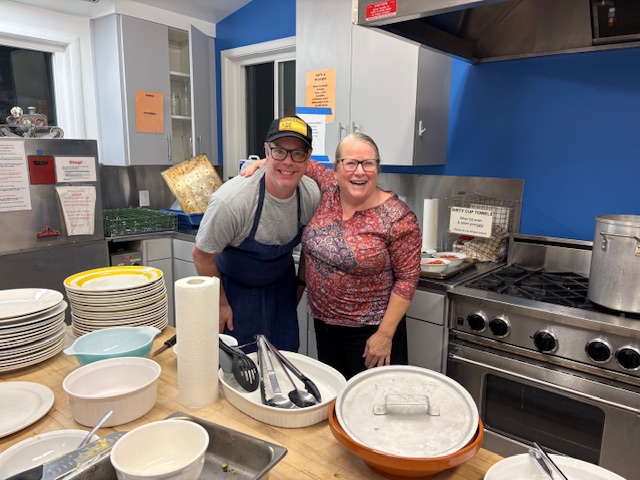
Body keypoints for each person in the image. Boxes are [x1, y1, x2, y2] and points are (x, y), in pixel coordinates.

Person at [242, 132, 421, 379]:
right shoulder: (329, 189)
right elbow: (299, 163)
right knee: (336, 392)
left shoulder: (397, 217)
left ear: (377, 168)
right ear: (336, 169)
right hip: (325, 327)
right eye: (350, 163)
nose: (359, 171)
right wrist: (267, 162)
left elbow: (407, 279)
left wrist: (384, 335)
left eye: (368, 163)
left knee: (372, 399)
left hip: (371, 334)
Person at [192, 116, 321, 352]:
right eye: (279, 151)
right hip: (234, 292)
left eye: (297, 153)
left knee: (284, 360)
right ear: (266, 152)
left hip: (282, 288)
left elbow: (310, 247)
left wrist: (299, 287)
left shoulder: (311, 195)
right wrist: (220, 304)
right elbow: (202, 256)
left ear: (308, 157)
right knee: (238, 364)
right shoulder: (232, 202)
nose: (288, 161)